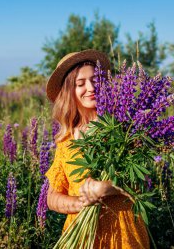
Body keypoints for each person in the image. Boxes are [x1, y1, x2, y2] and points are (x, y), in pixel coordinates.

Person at [45, 49, 150, 248]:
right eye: (80, 83)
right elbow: (52, 197)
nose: (91, 87)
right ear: (69, 91)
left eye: (95, 80)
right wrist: (79, 203)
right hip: (82, 237)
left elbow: (142, 182)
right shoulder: (65, 141)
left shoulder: (122, 128)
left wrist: (107, 187)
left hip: (123, 233)